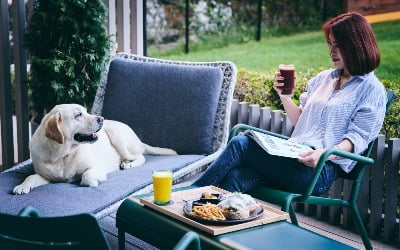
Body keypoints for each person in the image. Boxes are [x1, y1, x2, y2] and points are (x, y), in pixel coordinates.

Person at [193, 12, 387, 195]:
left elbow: (356, 139)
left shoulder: (371, 90)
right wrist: (284, 96)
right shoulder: (323, 79)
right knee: (235, 178)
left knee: (241, 143)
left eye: (338, 46)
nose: (331, 51)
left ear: (356, 45)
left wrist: (324, 154)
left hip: (319, 170)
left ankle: (189, 193)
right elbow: (301, 120)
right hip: (290, 157)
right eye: (329, 44)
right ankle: (211, 222)